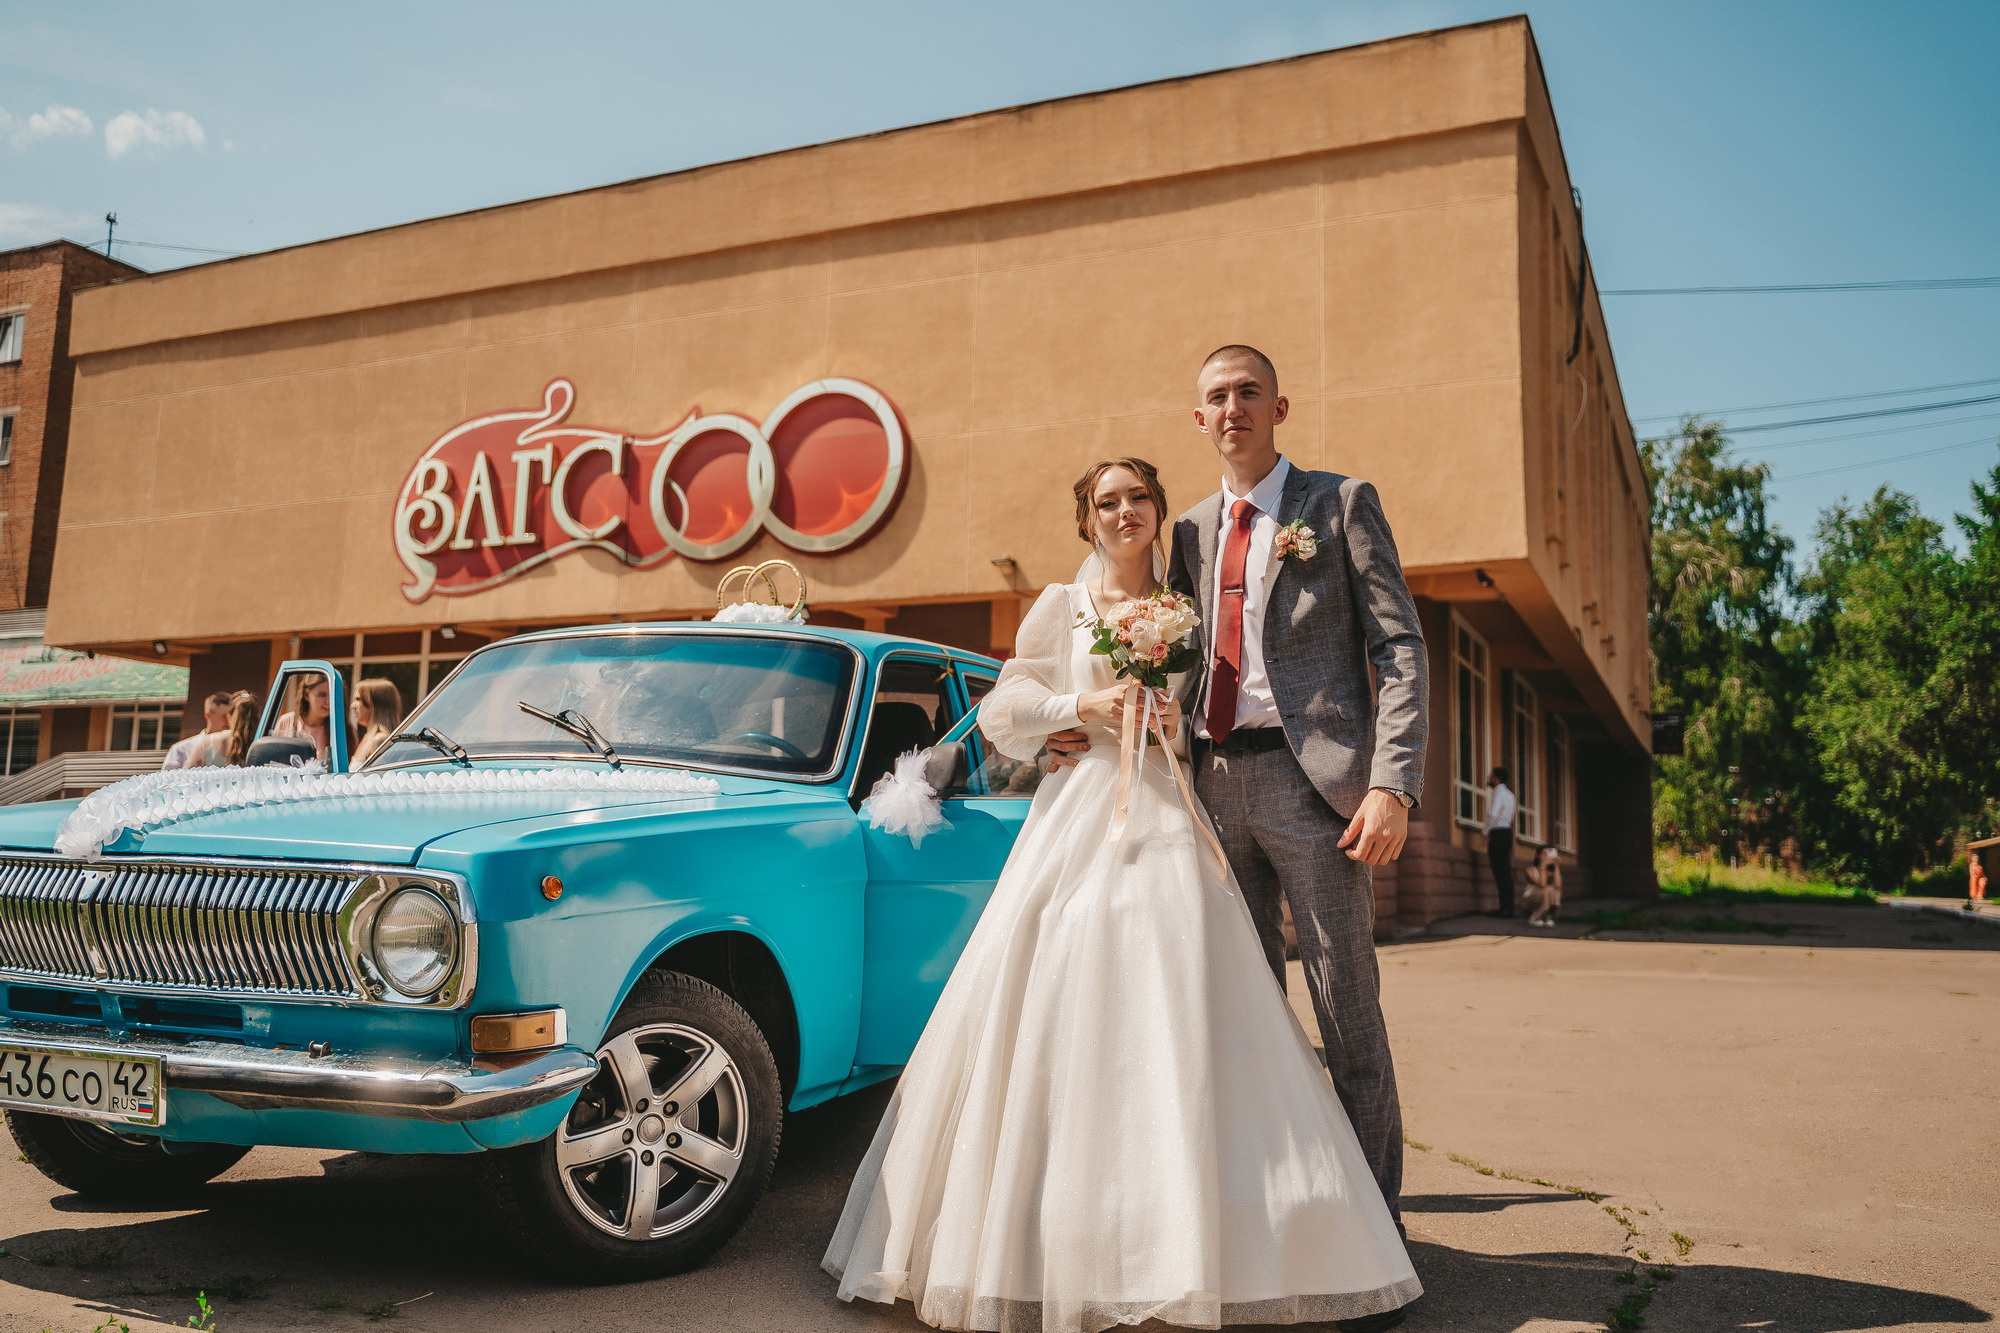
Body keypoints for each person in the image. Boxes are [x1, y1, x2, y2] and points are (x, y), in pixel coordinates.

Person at [825, 457, 1420, 1333]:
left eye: (1138, 496)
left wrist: (1169, 721)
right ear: (1087, 521)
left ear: (1157, 510)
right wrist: (1079, 707)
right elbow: (1003, 709)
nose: (1125, 511)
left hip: (1174, 804)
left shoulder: (1183, 605)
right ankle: (1069, 1231)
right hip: (1079, 814)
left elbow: (1212, 696)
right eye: (1107, 502)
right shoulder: (1061, 603)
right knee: (1070, 1005)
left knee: (1202, 1009)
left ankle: (1256, 1229)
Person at [161, 692, 233, 769]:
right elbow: (170, 779)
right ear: (208, 715)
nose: (229, 721)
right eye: (224, 716)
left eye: (232, 717)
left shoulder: (238, 749)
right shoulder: (181, 750)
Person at [1483, 767, 1517, 918]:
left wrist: (1486, 832)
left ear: (1496, 778)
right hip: (1507, 833)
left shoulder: (1499, 793)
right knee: (1505, 872)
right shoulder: (1510, 795)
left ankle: (1504, 909)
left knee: (1499, 871)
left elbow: (1492, 814)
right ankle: (1508, 907)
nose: (1489, 778)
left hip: (1498, 834)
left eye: (1491, 776)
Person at [273, 676, 333, 761]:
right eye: (322, 695)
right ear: (306, 694)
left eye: (333, 695)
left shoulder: (343, 729)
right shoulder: (286, 722)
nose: (328, 701)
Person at [196, 691, 260, 767]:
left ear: (229, 715)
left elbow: (187, 775)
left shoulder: (207, 742)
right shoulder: (267, 743)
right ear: (258, 715)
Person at [351, 678, 404, 767]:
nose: (353, 706)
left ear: (375, 704)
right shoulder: (368, 737)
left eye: (358, 699)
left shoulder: (380, 739)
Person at [1523, 843, 1563, 927]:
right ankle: (1535, 917)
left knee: (1555, 890)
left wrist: (1556, 866)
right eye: (1544, 853)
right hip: (1531, 900)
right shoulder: (1530, 870)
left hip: (1544, 897)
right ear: (1538, 855)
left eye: (1548, 854)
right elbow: (1541, 884)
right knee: (1545, 889)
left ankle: (1546, 916)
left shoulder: (1551, 872)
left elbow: (1558, 886)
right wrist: (1543, 866)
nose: (1546, 856)